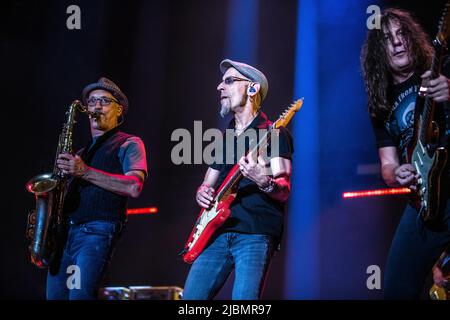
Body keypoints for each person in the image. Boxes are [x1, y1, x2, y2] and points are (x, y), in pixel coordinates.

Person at [182, 59, 294, 300]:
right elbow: (206, 184)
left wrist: (262, 180)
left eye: (229, 81)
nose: (220, 87)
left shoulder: (274, 133)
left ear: (252, 89)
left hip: (254, 232)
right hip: (216, 233)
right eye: (222, 82)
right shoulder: (223, 139)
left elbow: (283, 189)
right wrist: (201, 192)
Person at [361, 8, 450, 299]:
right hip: (424, 202)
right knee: (397, 287)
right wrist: (397, 173)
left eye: (402, 34)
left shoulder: (441, 69)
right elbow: (387, 165)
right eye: (388, 38)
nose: (398, 42)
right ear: (380, 51)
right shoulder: (381, 103)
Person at [46, 77, 148, 300]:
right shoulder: (81, 153)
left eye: (104, 101)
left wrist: (84, 172)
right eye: (92, 102)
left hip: (95, 233)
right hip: (65, 237)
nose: (96, 106)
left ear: (119, 110)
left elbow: (134, 187)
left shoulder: (129, 143)